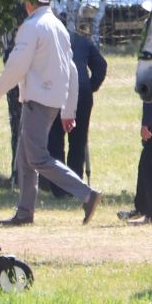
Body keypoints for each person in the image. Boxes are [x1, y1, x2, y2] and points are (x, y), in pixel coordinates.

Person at [0, 0, 98, 225]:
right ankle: (24, 212)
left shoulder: (31, 26)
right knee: (25, 159)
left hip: (37, 100)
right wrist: (68, 110)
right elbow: (71, 71)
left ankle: (86, 193)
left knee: (37, 158)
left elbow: (16, 65)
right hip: (52, 100)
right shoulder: (58, 26)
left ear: (29, 2)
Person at [45, 22, 107, 192]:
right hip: (82, 94)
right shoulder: (83, 41)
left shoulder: (48, 42)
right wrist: (89, 86)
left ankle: (58, 187)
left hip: (56, 93)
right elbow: (101, 66)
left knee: (55, 141)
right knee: (78, 141)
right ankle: (75, 186)